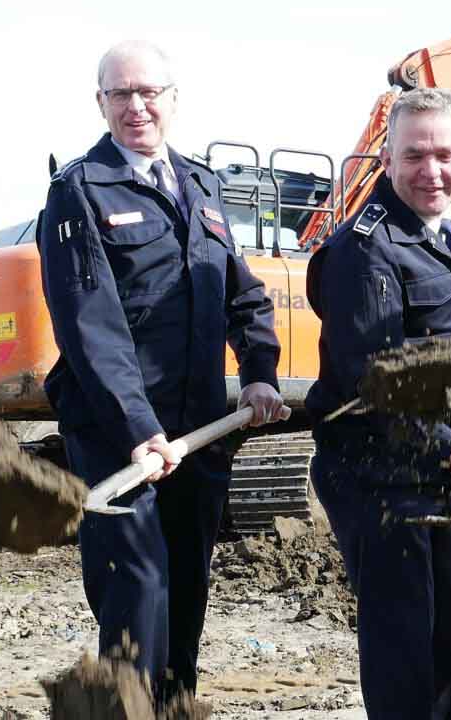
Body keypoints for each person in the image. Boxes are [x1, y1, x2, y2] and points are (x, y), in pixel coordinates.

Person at [38, 39, 285, 700]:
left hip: (198, 433)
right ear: (101, 103)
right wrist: (137, 427)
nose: (136, 106)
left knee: (185, 599)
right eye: (120, 94)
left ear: (174, 100)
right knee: (137, 593)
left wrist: (259, 368)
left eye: (149, 92)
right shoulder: (78, 192)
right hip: (120, 440)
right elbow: (92, 325)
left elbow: (242, 291)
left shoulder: (200, 185)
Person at [305, 87, 451, 720]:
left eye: (445, 155)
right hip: (375, 471)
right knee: (404, 652)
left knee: (446, 647)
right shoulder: (363, 249)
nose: (431, 171)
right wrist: (450, 445)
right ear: (386, 157)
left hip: (440, 468)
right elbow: (375, 376)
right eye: (414, 156)